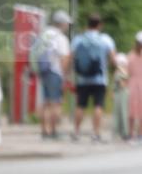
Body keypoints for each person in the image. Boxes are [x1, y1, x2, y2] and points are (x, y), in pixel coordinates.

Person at [70, 13, 117, 142]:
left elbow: (71, 57)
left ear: (88, 24)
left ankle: (76, 132)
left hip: (82, 78)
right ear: (100, 25)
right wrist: (116, 70)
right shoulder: (106, 39)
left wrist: (67, 73)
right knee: (98, 105)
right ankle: (96, 133)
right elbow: (114, 59)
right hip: (100, 79)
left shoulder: (78, 39)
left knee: (80, 105)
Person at [30, 9, 71, 139]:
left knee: (45, 102)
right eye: (67, 23)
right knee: (55, 103)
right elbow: (64, 58)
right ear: (62, 23)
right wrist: (64, 76)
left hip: (43, 71)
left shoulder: (44, 34)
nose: (67, 26)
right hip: (55, 72)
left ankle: (44, 131)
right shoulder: (61, 38)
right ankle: (53, 131)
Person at [127, 31, 142, 140]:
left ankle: (133, 133)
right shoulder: (131, 56)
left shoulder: (130, 55)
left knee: (132, 109)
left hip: (132, 84)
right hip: (134, 83)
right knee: (133, 109)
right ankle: (135, 133)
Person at [112, 53, 130, 141]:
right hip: (120, 93)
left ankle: (123, 132)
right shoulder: (120, 72)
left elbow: (123, 82)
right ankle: (122, 132)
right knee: (120, 113)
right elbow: (123, 83)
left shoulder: (119, 72)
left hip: (120, 93)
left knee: (121, 113)